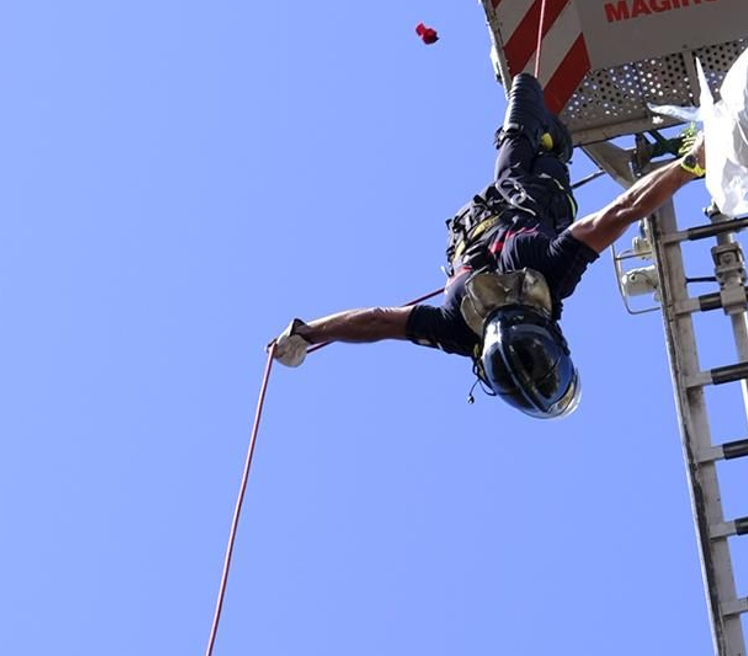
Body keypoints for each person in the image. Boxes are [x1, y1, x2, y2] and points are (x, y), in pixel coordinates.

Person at [272, 70, 704, 419]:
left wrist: (689, 167)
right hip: (515, 191)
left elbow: (624, 211)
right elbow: (378, 322)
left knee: (527, 104)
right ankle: (546, 133)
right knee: (544, 141)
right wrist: (309, 332)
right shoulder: (466, 326)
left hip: (523, 185)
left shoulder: (533, 287)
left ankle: (539, 123)